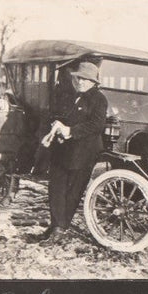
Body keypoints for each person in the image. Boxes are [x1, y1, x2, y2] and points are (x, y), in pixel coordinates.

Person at [31, 60, 109, 244]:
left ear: (94, 82)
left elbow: (97, 125)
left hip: (84, 154)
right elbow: (57, 116)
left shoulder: (99, 99)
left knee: (72, 192)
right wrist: (56, 125)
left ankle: (60, 229)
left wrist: (70, 131)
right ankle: (55, 226)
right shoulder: (70, 96)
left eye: (85, 79)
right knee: (56, 190)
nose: (80, 82)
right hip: (62, 151)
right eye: (78, 78)